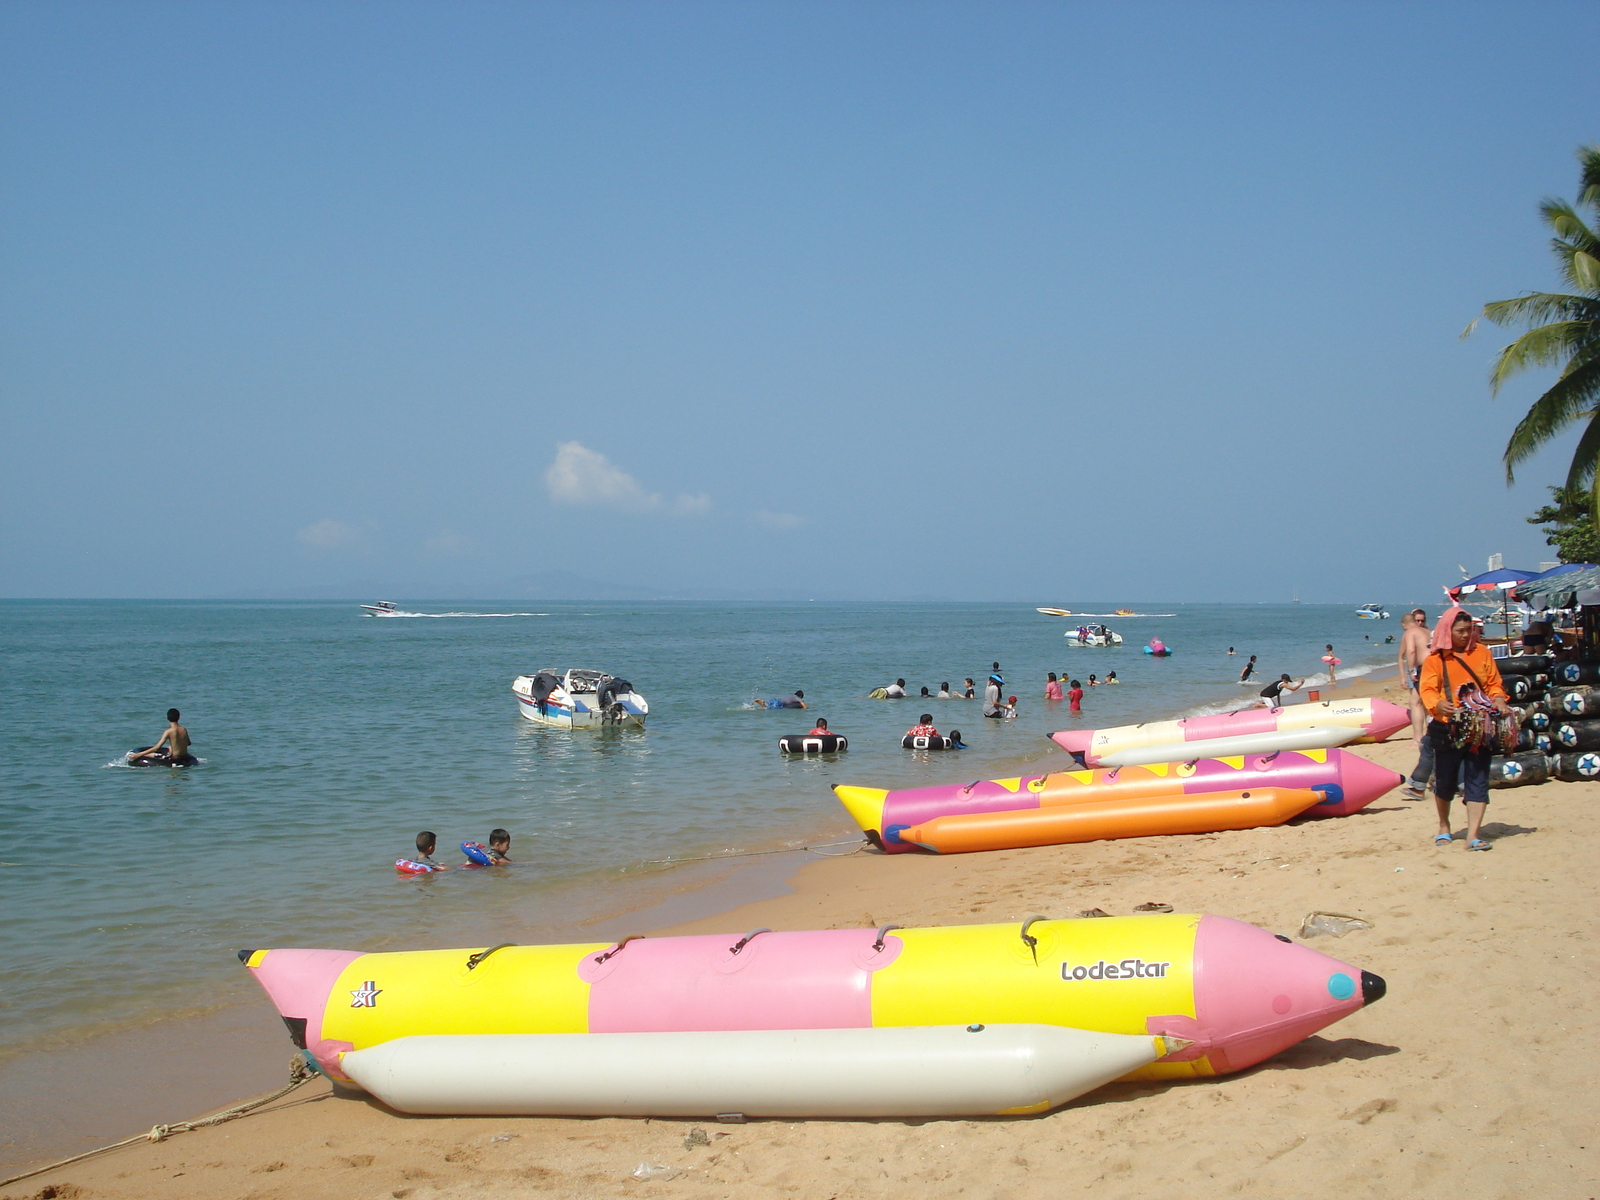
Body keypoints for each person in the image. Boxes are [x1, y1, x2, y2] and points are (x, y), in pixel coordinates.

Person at [1419, 607, 1512, 851]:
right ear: (1448, 632)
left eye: (1469, 630)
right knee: (1445, 780)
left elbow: (1493, 683)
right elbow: (1427, 689)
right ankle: (1444, 826)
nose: (1465, 635)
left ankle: (1473, 835)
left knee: (1478, 779)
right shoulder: (1435, 660)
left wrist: (1500, 698)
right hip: (1447, 727)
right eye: (1460, 631)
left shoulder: (1482, 653)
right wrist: (1438, 704)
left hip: (1480, 727)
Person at [1398, 609, 1434, 800]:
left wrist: (1411, 670)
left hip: (1425, 669)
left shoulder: (1410, 632)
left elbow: (1410, 651)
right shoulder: (1427, 631)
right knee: (1425, 704)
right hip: (1436, 667)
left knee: (1418, 703)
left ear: (1404, 624)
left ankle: (1419, 738)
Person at [130, 708, 195, 766]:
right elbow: (188, 743)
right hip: (185, 758)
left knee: (148, 755)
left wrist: (137, 755)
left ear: (167, 718)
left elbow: (156, 748)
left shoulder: (169, 731)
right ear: (179, 717)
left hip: (175, 759)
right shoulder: (184, 729)